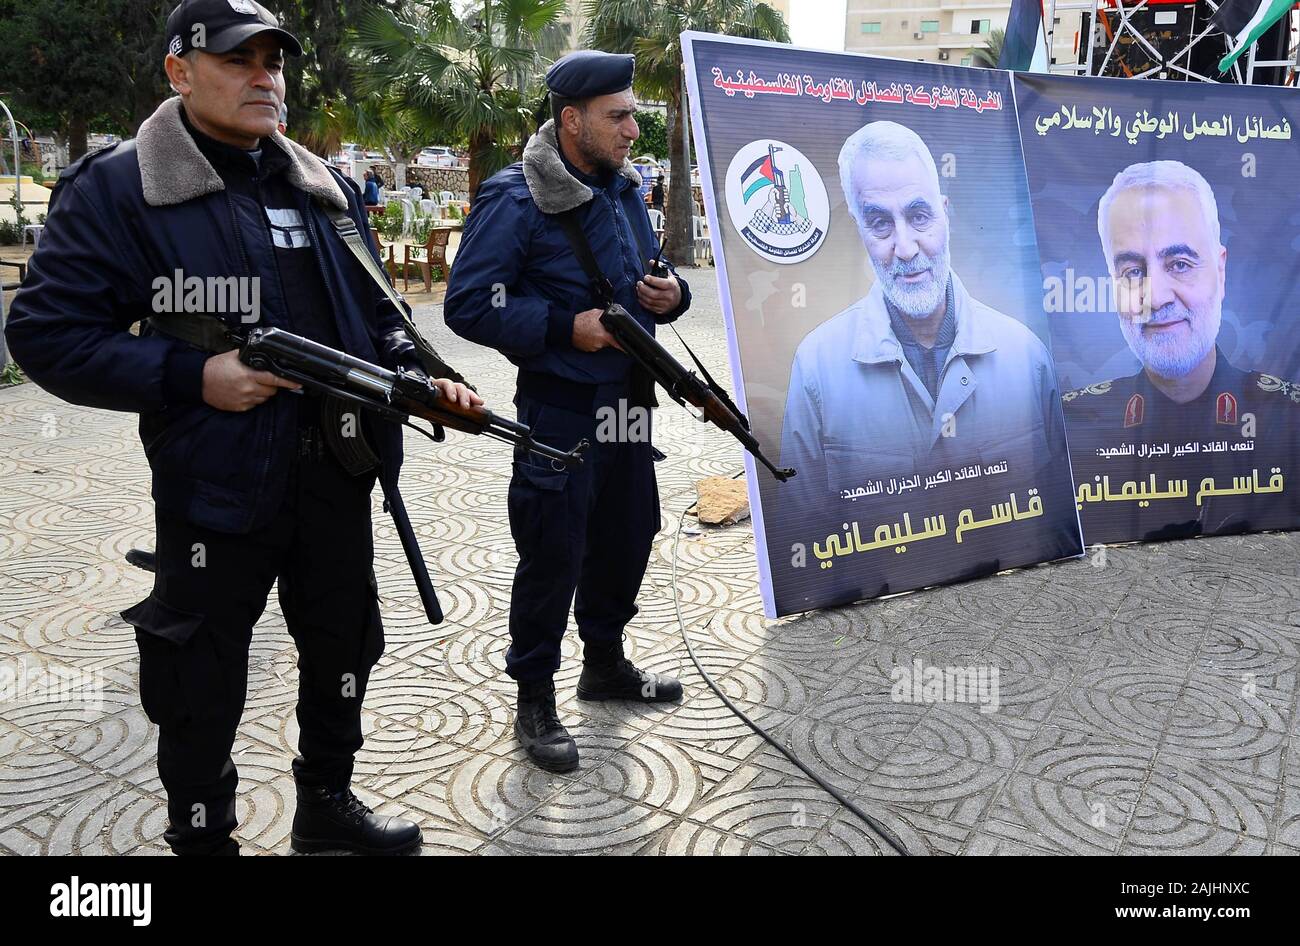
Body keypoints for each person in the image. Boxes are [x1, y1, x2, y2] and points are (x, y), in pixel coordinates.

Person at [4, 0, 479, 856]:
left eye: (276, 62)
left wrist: (430, 376)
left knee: (345, 643)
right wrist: (194, 376)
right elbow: (45, 335)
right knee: (198, 675)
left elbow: (379, 311)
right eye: (238, 60)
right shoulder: (121, 188)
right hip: (216, 485)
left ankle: (326, 806)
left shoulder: (319, 184)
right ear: (179, 73)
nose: (267, 78)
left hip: (339, 468)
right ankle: (205, 837)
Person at [444, 50, 691, 773]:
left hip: (631, 402)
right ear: (572, 118)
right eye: (618, 117)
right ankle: (534, 699)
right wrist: (561, 328)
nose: (632, 130)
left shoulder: (623, 188)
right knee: (554, 549)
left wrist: (673, 296)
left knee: (627, 532)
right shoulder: (514, 197)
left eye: (634, 116)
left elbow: (655, 276)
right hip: (561, 409)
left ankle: (604, 664)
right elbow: (467, 304)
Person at [779, 120, 1066, 504]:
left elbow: (1058, 517)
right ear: (859, 230)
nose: (906, 247)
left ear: (945, 215)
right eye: (880, 223)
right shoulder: (816, 367)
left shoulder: (1026, 357)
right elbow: (804, 530)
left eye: (918, 216)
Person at [1064, 160, 1299, 440]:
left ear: (1220, 272)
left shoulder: (1289, 420)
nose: (1156, 297)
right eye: (1133, 271)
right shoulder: (1072, 430)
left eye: (1180, 264)